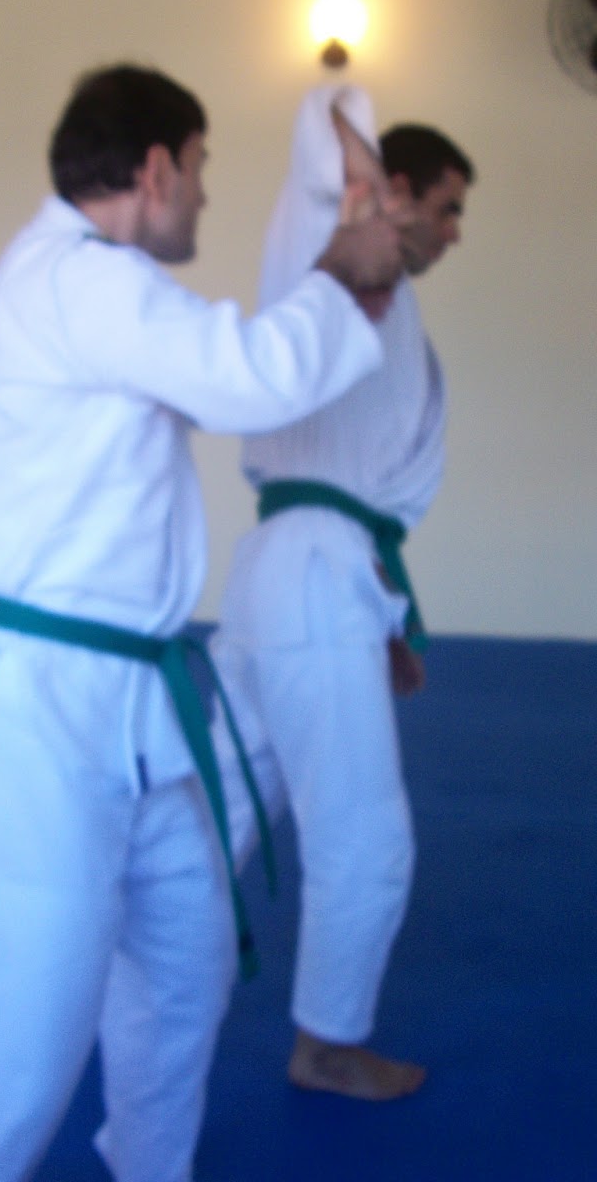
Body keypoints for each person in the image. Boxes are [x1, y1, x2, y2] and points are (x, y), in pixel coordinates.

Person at [0, 65, 404, 1182]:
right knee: (15, 1063)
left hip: (134, 716)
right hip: (39, 717)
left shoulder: (99, 292)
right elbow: (247, 376)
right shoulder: (78, 280)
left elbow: (244, 371)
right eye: (202, 168)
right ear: (158, 167)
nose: (207, 195)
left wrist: (347, 272)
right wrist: (337, 272)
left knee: (181, 978)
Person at [211, 85, 474, 1102]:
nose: (454, 232)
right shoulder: (328, 237)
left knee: (226, 803)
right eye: (445, 208)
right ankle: (324, 1045)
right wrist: (367, 189)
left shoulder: (386, 302)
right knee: (364, 834)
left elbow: (365, 499)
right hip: (311, 575)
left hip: (306, 576)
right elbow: (321, 109)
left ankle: (117, 959)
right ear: (390, 189)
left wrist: (385, 619)